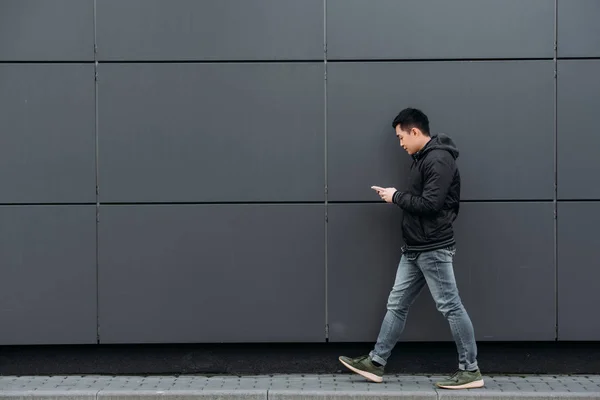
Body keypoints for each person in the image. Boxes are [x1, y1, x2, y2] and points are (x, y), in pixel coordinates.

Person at [338, 108, 484, 390]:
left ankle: (470, 370)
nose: (400, 143)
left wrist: (396, 197)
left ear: (414, 131)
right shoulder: (423, 159)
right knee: (397, 304)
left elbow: (431, 205)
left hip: (433, 247)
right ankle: (376, 362)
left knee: (451, 306)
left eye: (400, 137)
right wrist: (396, 196)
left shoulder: (438, 159)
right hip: (415, 247)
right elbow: (421, 201)